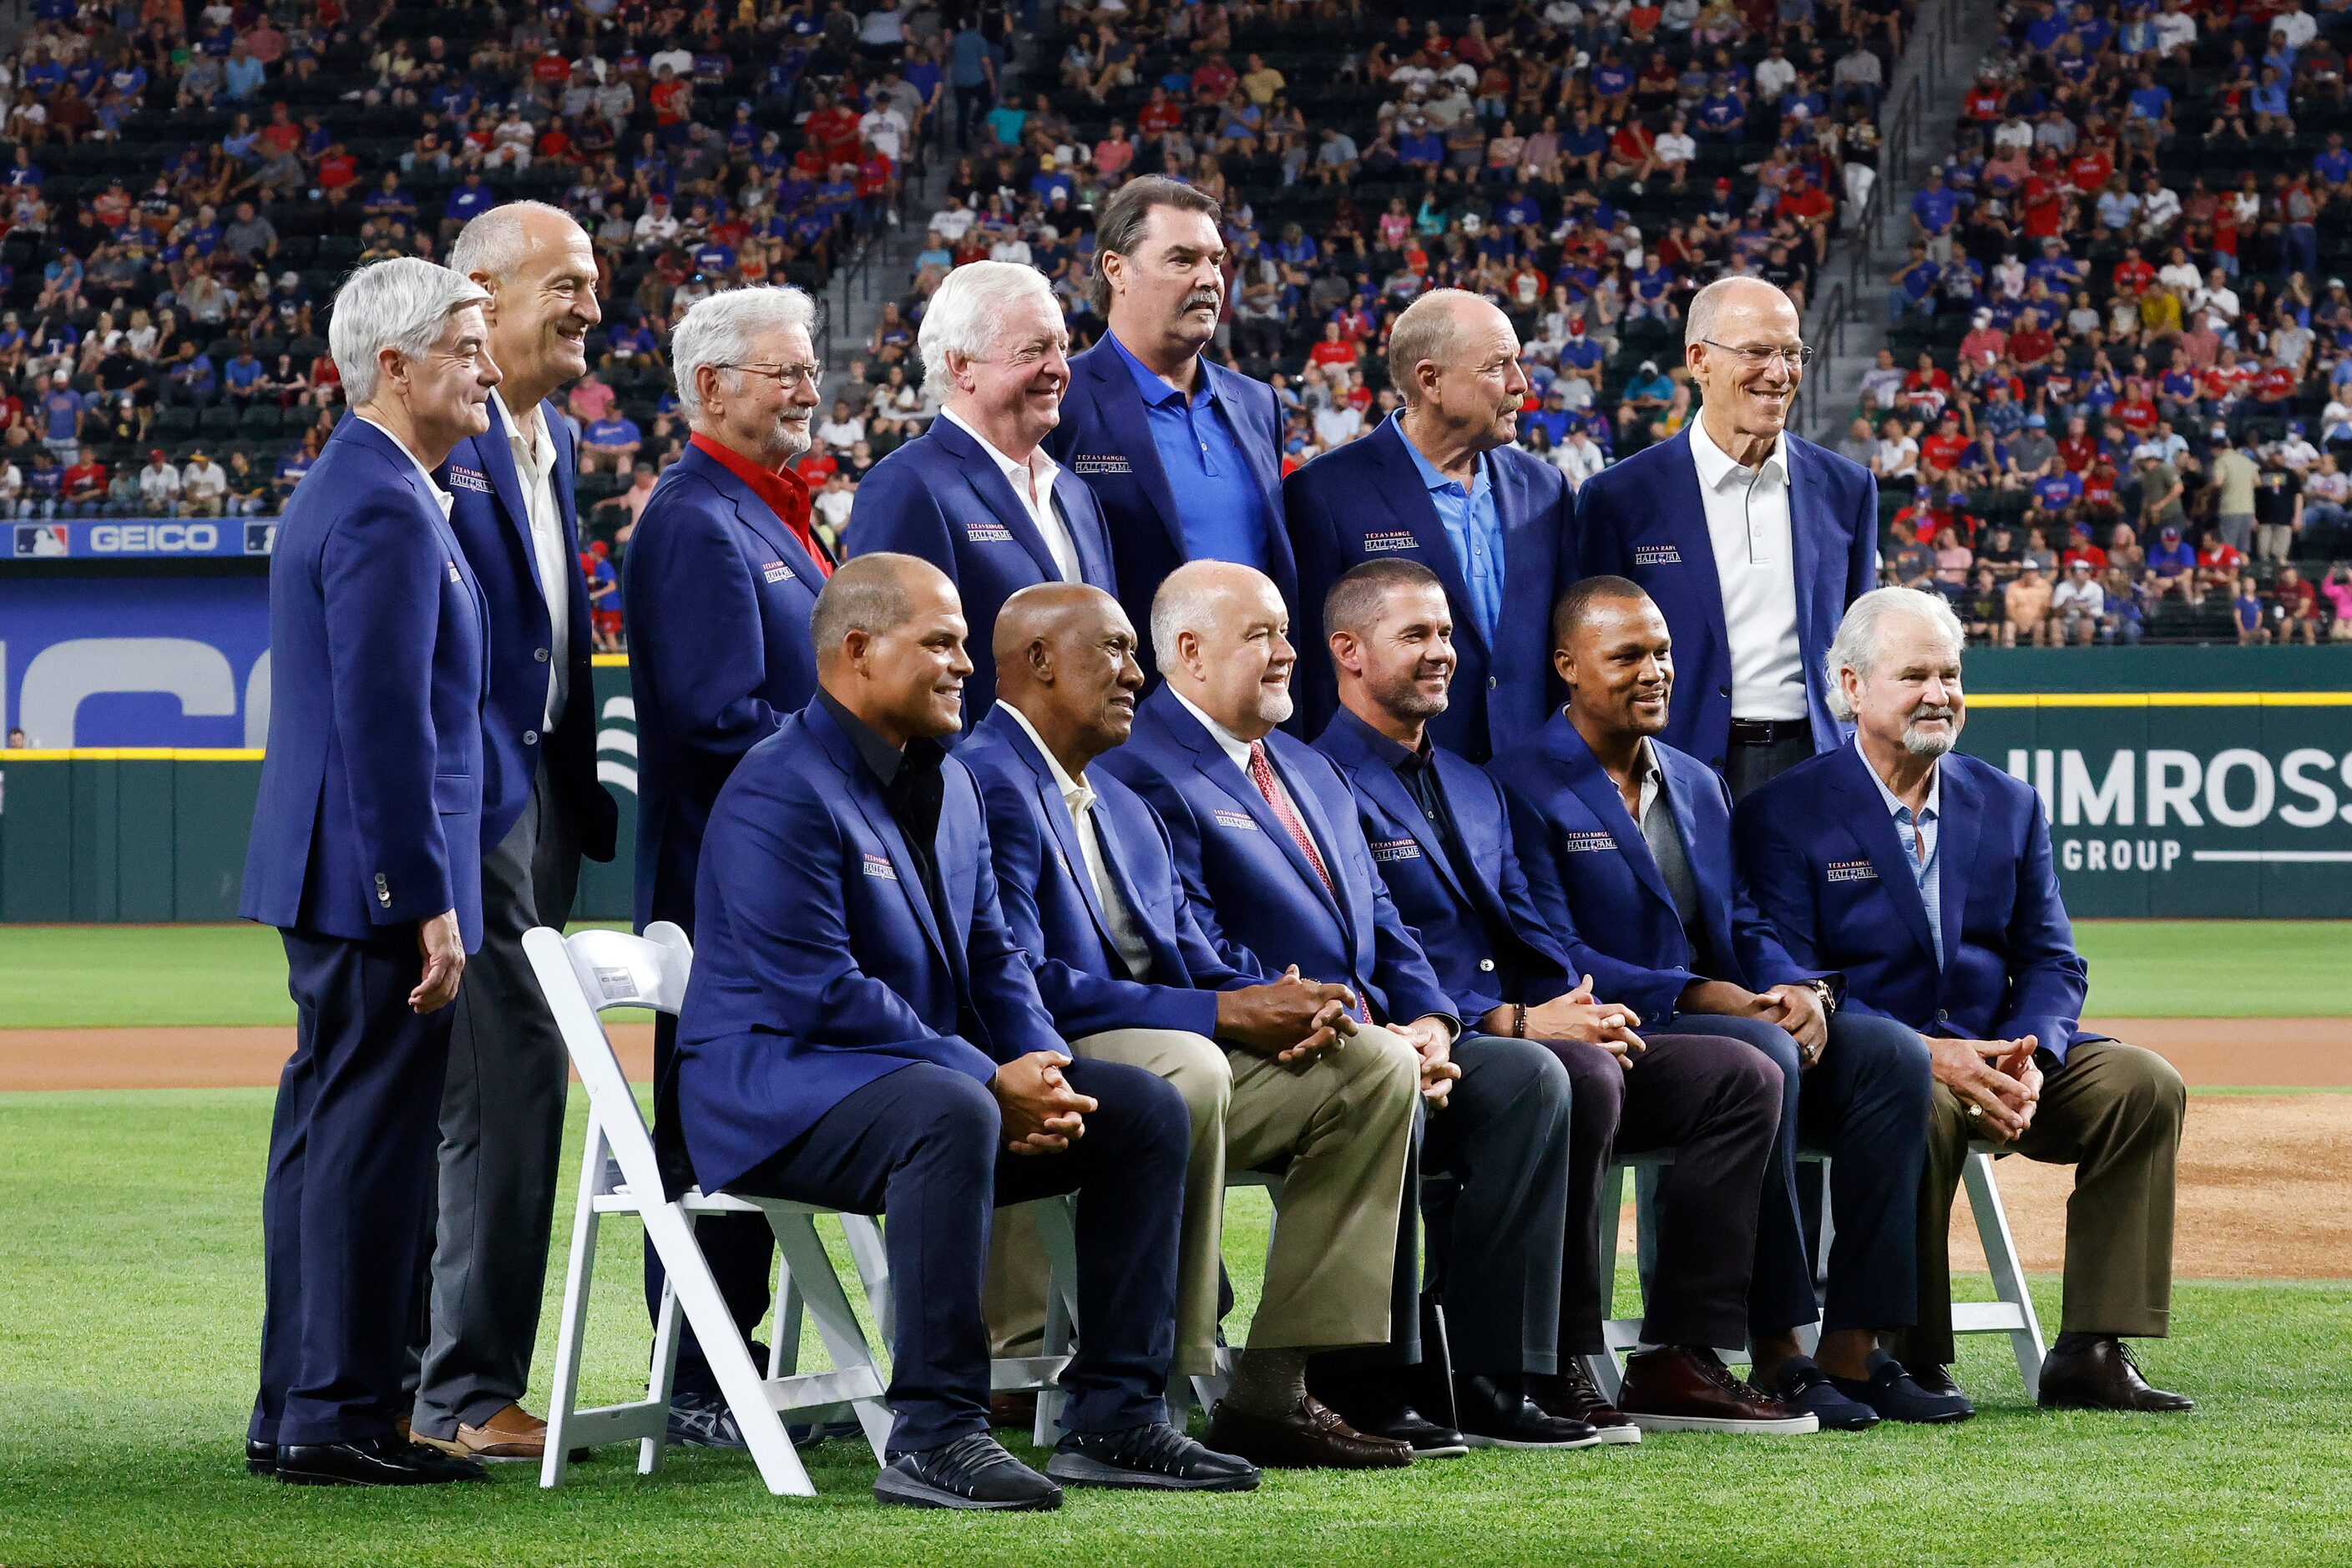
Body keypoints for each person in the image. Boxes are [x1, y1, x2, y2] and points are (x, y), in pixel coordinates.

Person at [675, 554, 1254, 1509]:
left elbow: (996, 962)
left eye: (960, 645)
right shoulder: (776, 786)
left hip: (916, 1087)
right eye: (939, 643)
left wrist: (1042, 1067)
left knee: (1142, 1109)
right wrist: (988, 1082)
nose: (963, 666)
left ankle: (1118, 1415)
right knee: (951, 1109)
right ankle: (935, 1433)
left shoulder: (951, 786)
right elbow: (822, 991)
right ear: (857, 651)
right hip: (773, 1092)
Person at [1101, 560, 1584, 1462]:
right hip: (1266, 1045)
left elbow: (1386, 923)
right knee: (1387, 1076)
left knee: (1528, 1078)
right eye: (1263, 637)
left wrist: (1433, 1023)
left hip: (1366, 1034)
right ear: (1191, 653)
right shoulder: (1140, 767)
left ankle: (1490, 1372)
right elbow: (1195, 947)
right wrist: (1370, 1033)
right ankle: (1357, 1376)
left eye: (1286, 632)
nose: (1288, 654)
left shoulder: (1306, 765)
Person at [1312, 559, 1802, 1439]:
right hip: (1428, 1041)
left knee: (1739, 1074)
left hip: (1524, 1030)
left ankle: (1680, 1353)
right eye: (1417, 635)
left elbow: (1534, 933)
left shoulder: (1470, 782)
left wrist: (1577, 1005)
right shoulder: (1318, 780)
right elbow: (1364, 945)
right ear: (1347, 652)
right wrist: (1516, 1022)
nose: (1442, 653)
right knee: (1569, 1072)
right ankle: (1543, 1362)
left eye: (1448, 635)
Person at [960, 582, 1425, 1464]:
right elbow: (1012, 980)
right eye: (1114, 652)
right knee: (1190, 1062)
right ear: (1035, 663)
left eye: (1137, 652)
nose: (1137, 673)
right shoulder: (984, 780)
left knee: (1373, 1067)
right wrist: (1216, 1012)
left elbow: (1190, 959)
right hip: (1048, 1062)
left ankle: (1272, 1388)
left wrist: (1288, 1011)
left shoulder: (1121, 803)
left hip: (1170, 1053)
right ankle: (1148, 1390)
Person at [1493, 578, 1960, 1429]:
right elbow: (1553, 955)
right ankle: (1768, 1344)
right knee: (1765, 1055)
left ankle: (1854, 1349)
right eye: (1627, 655)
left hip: (1716, 1021)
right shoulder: (1519, 783)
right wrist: (1708, 995)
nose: (1655, 671)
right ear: (1567, 665)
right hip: (1615, 1034)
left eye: (1663, 653)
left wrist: (1797, 988)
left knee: (1889, 1052)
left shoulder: (1698, 781)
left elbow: (1743, 922)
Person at [1736, 588, 2193, 1414]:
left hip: (2003, 1053)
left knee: (2143, 1083)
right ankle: (1910, 1352)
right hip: (1867, 1069)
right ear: (1850, 688)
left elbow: (2053, 958)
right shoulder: (1784, 812)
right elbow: (1793, 976)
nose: (1939, 694)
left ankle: (2091, 1347)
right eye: (1914, 675)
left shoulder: (2008, 803)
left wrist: (2031, 1055)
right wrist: (1933, 1053)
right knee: (1922, 1091)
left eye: (1950, 674)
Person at [237, 257, 502, 1486]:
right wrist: (425, 897)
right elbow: (386, 721)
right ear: (394, 365)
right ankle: (339, 1414)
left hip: (337, 870)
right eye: (466, 346)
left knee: (328, 1136)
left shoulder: (366, 485)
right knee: (368, 1145)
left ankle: (306, 1401)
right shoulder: (389, 502)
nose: (489, 367)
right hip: (372, 878)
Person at [404, 203, 620, 1464]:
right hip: (472, 810)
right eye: (568, 282)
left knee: (485, 1094)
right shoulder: (448, 443)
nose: (592, 301)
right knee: (503, 1086)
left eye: (595, 281)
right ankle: (463, 1390)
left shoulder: (552, 441)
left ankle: (429, 1379)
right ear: (478, 291)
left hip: (535, 806)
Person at [620, 284, 832, 1445]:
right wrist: (849, 761)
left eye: (808, 369)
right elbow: (713, 716)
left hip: (777, 877)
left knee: (748, 1124)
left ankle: (726, 1363)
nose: (808, 387)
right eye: (783, 371)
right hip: (724, 884)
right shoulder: (695, 516)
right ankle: (697, 1372)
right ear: (710, 388)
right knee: (710, 1132)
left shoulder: (775, 509)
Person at [1573, 277, 1878, 797]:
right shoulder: (1619, 497)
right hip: (1673, 771)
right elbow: (1592, 661)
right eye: (1757, 352)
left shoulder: (1847, 488)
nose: (1779, 373)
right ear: (1699, 360)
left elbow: (1862, 652)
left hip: (1820, 769)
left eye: (1791, 352)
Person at [1287, 289, 1574, 762]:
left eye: (1517, 363)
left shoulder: (1544, 490)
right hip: (1395, 786)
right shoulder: (1324, 493)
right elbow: (1316, 669)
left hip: (1532, 779)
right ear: (1431, 380)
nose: (1521, 383)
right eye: (1497, 365)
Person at [849, 263, 1117, 729]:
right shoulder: (907, 486)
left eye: (1062, 347)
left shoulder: (1076, 494)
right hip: (980, 793)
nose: (1058, 368)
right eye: (1033, 350)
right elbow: (901, 687)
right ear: (961, 367)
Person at [1044, 177, 1293, 678]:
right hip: (1130, 714)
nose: (1209, 278)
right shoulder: (1061, 401)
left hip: (1256, 706)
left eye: (1216, 260)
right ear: (1117, 270)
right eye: (1183, 260)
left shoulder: (1256, 403)